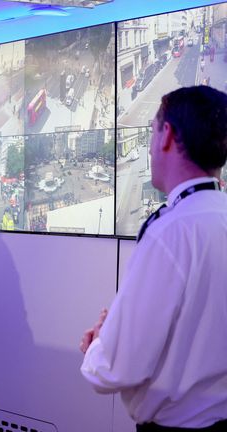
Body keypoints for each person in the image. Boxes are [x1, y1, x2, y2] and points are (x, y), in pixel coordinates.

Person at [80, 86, 227, 431]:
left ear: (167, 135)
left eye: (151, 131)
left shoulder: (170, 231)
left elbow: (119, 367)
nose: (148, 148)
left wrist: (99, 346)